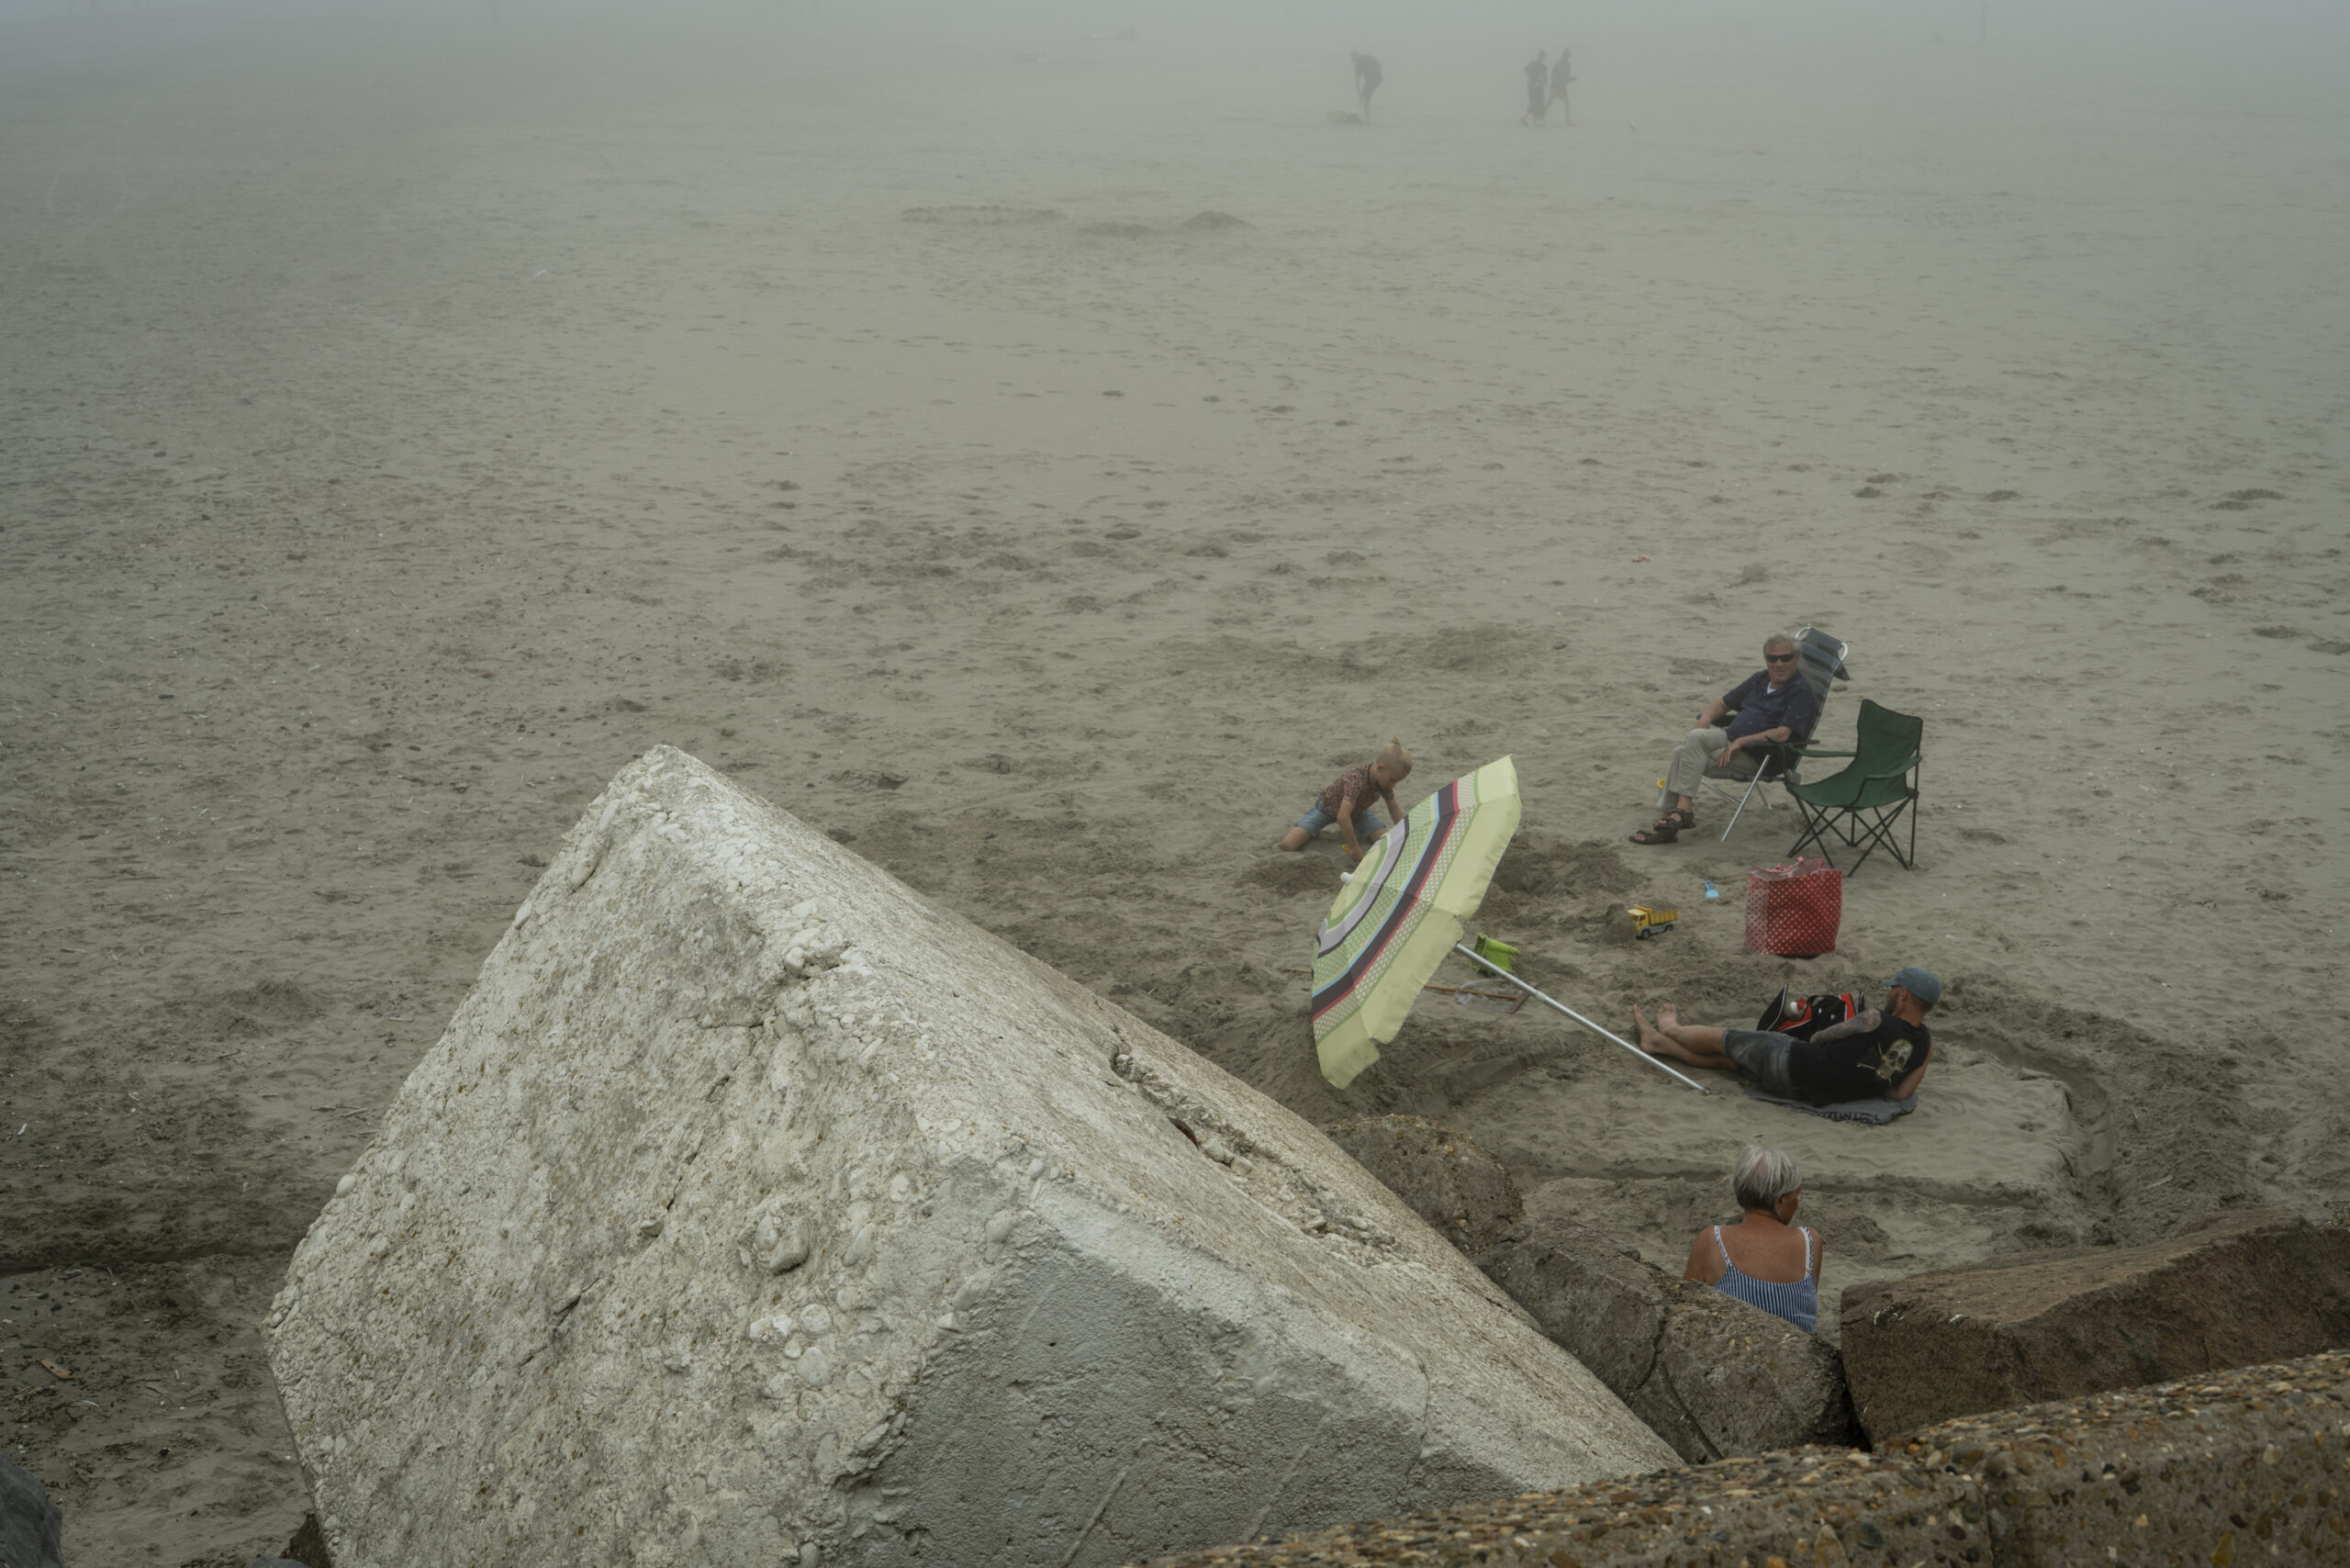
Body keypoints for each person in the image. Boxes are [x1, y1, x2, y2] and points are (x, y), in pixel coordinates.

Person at [1632, 968, 1941, 1107]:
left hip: (1794, 1061)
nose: (1888, 994)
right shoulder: (1925, 1046)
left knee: (1723, 1041)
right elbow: (1899, 1095)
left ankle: (1671, 1030)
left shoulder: (1874, 1018)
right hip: (1802, 1091)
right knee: (1723, 1061)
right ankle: (1657, 1044)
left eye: (1892, 989)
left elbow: (1819, 1038)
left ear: (1903, 995)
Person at [1631, 631, 1818, 845]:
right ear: (1766, 659)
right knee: (1695, 736)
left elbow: (1782, 734)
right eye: (1772, 658)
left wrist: (1742, 741)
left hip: (1759, 754)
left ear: (1796, 659)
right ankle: (1680, 812)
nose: (1779, 664)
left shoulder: (1799, 691)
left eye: (1785, 658)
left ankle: (1672, 816)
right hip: (1729, 737)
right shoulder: (1760, 678)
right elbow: (1722, 704)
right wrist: (1705, 720)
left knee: (1682, 754)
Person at [1683, 1146, 1821, 1332]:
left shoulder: (1711, 1241)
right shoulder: (1810, 1242)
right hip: (1796, 1350)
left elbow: (1684, 1309)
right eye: (1796, 1196)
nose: (1797, 1204)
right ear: (1780, 1200)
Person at [1279, 740, 1411, 860]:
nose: (1394, 785)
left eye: (1397, 782)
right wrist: (1354, 847)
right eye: (1392, 780)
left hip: (1358, 813)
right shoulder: (1357, 781)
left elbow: (1393, 807)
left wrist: (1404, 832)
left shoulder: (1384, 782)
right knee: (1288, 845)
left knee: (1387, 841)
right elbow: (1342, 817)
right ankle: (1312, 831)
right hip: (1327, 808)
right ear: (1380, 768)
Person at [1352, 51, 1382, 120]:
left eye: (1353, 59)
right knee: (1365, 96)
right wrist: (1380, 74)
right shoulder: (1368, 57)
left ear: (1353, 58)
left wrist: (1359, 94)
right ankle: (1361, 103)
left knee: (1365, 101)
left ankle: (1367, 121)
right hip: (1378, 80)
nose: (1354, 61)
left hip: (1370, 82)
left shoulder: (1358, 64)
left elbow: (1357, 81)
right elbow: (1380, 65)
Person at [1549, 48, 1574, 123]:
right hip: (1558, 85)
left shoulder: (1562, 63)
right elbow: (1555, 76)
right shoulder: (1562, 64)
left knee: (1551, 102)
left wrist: (1570, 79)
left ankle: (1568, 121)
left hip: (1559, 85)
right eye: (1568, 55)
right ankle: (1568, 121)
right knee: (1564, 102)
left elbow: (1564, 77)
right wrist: (1570, 79)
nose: (1568, 57)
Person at [1523, 50, 1550, 125]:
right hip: (1538, 86)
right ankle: (1535, 121)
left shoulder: (1533, 63)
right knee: (1539, 104)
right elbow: (1543, 78)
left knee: (1533, 103)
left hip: (1531, 85)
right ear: (1544, 57)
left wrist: (1530, 77)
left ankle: (1527, 119)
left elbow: (1525, 70)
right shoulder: (1543, 66)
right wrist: (1544, 83)